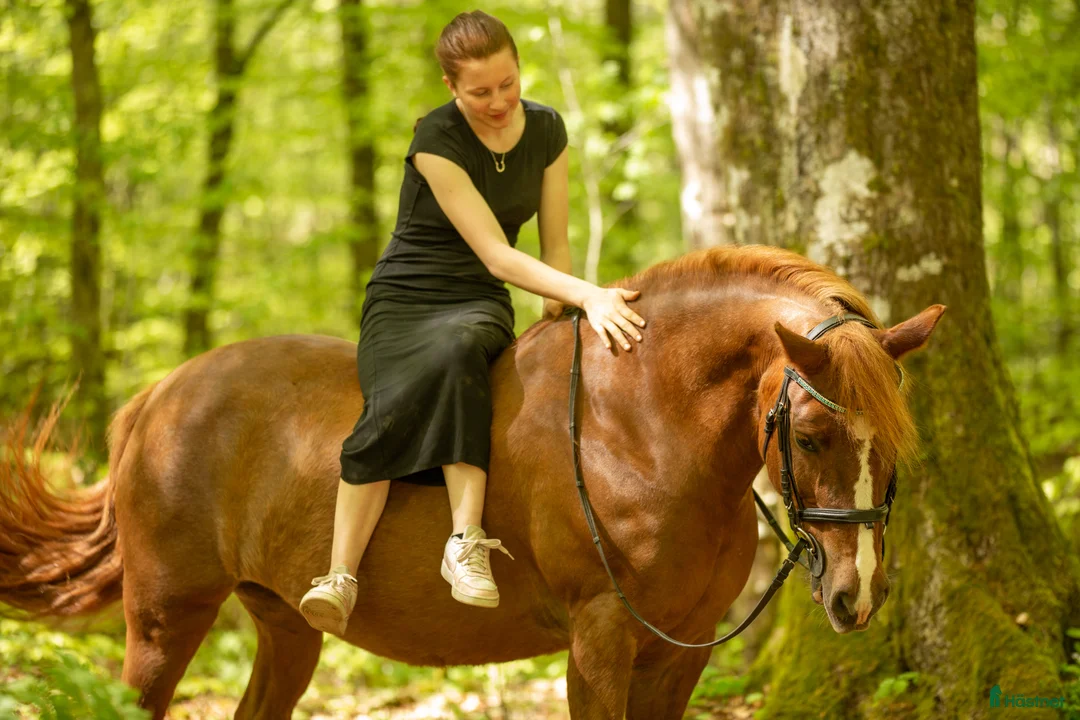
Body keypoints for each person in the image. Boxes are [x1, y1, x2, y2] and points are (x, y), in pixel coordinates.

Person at [299, 10, 646, 636]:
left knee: (462, 349)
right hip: (405, 298)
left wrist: (563, 307)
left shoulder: (547, 129)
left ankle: (465, 543)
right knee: (403, 389)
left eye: (507, 83)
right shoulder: (435, 138)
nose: (497, 101)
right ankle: (340, 576)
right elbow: (497, 251)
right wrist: (594, 294)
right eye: (479, 91)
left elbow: (554, 239)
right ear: (449, 88)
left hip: (476, 300)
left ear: (519, 70)